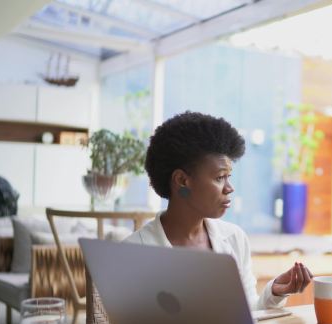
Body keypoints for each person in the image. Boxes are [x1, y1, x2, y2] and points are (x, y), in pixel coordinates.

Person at [126, 111, 313, 310]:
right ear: (182, 180)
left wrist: (275, 292)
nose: (229, 188)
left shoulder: (234, 238)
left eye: (228, 176)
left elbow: (248, 311)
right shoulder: (133, 251)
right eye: (219, 177)